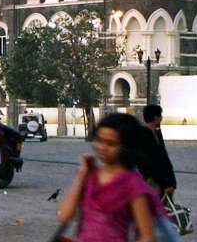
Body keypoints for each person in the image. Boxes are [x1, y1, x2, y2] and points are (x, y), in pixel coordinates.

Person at [56, 112, 168, 242]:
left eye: (111, 144)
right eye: (99, 141)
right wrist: (81, 176)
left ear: (127, 147)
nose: (102, 147)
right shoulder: (91, 176)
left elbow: (147, 236)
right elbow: (64, 215)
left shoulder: (133, 184)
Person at [138, 104, 178, 201]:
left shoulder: (156, 133)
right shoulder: (145, 136)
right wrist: (166, 184)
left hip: (162, 184)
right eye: (160, 116)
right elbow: (153, 163)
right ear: (156, 118)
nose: (162, 118)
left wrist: (172, 183)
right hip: (155, 185)